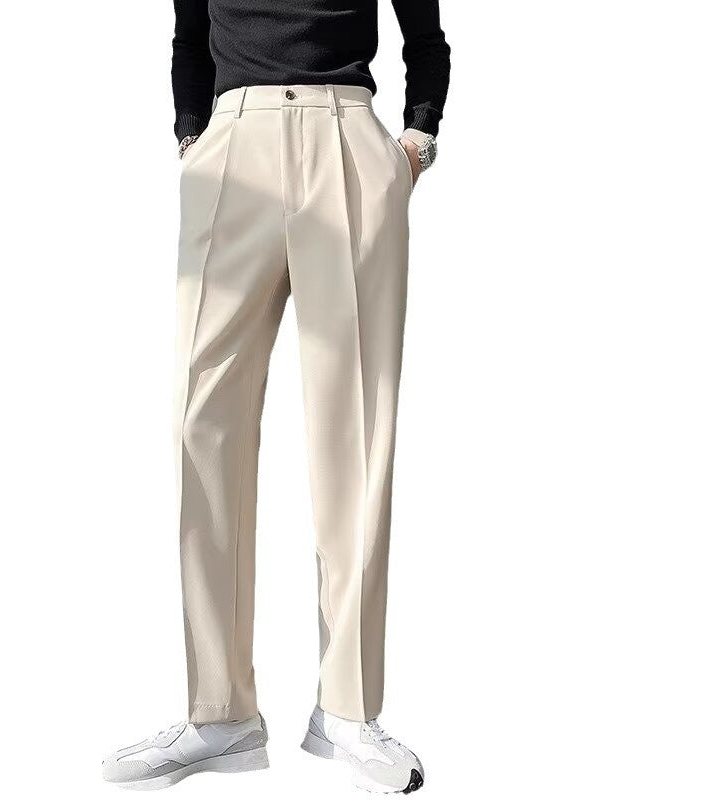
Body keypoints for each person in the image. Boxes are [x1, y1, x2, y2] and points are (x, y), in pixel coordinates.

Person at [102, 0, 450, 793]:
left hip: (346, 137)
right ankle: (219, 713)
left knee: (355, 427)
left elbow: (425, 37)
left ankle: (348, 711)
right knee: (202, 422)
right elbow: (190, 36)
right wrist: (193, 137)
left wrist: (414, 144)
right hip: (233, 142)